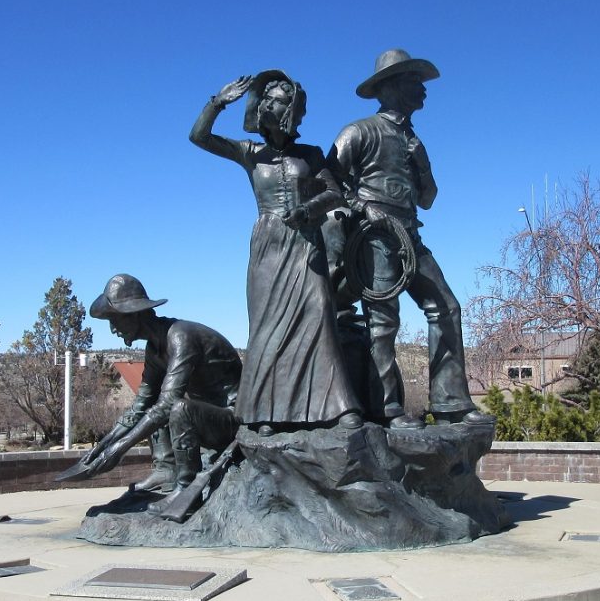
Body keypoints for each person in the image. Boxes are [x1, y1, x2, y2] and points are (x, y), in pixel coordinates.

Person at [190, 71, 362, 431]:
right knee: (268, 328)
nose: (273, 106)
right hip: (268, 246)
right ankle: (266, 413)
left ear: (293, 111)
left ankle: (340, 408)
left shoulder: (311, 155)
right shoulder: (250, 153)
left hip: (305, 242)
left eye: (281, 101)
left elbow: (336, 194)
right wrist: (217, 102)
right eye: (269, 101)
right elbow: (199, 136)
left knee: (319, 314)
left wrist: (310, 210)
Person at [328, 49, 490, 427]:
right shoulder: (360, 131)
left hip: (410, 236)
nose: (422, 90)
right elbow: (326, 179)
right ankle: (387, 409)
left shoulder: (414, 141)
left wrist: (422, 163)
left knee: (446, 307)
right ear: (390, 88)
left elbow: (429, 200)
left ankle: (450, 401)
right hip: (375, 236)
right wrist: (363, 207)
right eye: (413, 82)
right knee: (383, 322)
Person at [78, 274, 242, 497]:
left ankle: (186, 487)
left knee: (175, 407)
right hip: (202, 417)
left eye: (115, 319)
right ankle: (165, 469)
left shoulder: (180, 336)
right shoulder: (154, 349)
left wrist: (120, 449)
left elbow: (168, 404)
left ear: (135, 314)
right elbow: (140, 405)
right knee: (154, 405)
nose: (113, 329)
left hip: (230, 422)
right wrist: (103, 446)